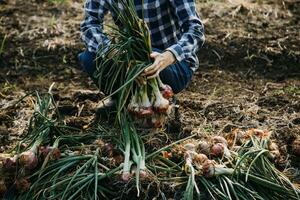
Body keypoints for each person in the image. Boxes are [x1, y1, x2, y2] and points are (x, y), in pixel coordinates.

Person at [79, 0, 204, 96]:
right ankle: (123, 100)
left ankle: (161, 98)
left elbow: (195, 30)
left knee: (145, 60)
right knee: (90, 58)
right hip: (129, 59)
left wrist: (169, 56)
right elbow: (89, 24)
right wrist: (112, 52)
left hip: (172, 64)